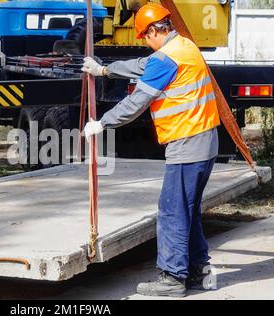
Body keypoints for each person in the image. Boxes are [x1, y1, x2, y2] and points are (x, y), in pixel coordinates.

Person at [82, 3, 221, 298]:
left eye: (146, 36)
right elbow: (143, 64)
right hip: (205, 142)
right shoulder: (184, 47)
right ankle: (198, 270)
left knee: (171, 211)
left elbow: (135, 104)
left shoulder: (165, 60)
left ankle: (172, 277)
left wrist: (101, 123)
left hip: (187, 144)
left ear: (157, 30)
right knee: (188, 210)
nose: (145, 41)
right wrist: (104, 70)